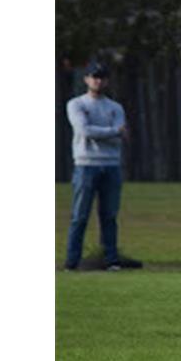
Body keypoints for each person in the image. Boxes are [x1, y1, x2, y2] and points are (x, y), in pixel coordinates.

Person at [65, 62, 141, 271]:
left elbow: (120, 132)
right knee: (80, 215)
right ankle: (72, 261)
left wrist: (107, 131)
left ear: (106, 81)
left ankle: (111, 259)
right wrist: (113, 131)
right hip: (85, 164)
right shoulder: (76, 104)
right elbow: (84, 130)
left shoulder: (115, 107)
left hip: (111, 165)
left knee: (109, 215)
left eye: (101, 77)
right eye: (93, 77)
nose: (97, 81)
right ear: (86, 79)